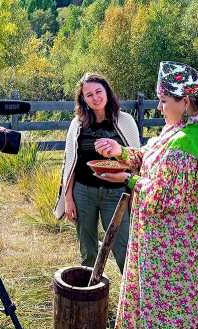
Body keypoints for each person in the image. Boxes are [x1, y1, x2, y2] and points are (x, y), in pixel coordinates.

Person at [94, 61, 198, 329]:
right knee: (183, 303)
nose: (159, 107)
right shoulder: (179, 130)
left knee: (173, 305)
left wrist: (126, 180)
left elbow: (162, 196)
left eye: (163, 101)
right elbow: (148, 157)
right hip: (177, 244)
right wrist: (120, 152)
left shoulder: (186, 142)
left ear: (187, 101)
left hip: (175, 248)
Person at [54, 73, 140, 272]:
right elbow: (70, 163)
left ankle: (131, 297)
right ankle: (89, 295)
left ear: (107, 92)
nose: (95, 97)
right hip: (83, 192)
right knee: (88, 250)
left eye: (98, 91)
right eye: (89, 94)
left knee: (123, 248)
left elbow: (136, 159)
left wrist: (117, 153)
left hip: (117, 194)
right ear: (83, 99)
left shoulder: (125, 121)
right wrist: (68, 198)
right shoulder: (77, 125)